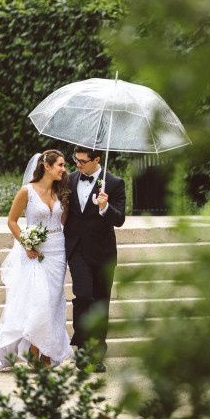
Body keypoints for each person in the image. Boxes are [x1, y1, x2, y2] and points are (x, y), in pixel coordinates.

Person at [0, 149, 73, 371]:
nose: (63, 169)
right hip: (35, 253)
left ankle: (45, 352)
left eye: (64, 165)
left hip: (58, 251)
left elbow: (63, 221)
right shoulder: (26, 191)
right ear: (46, 166)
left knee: (55, 302)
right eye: (60, 165)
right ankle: (38, 352)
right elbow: (11, 221)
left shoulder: (61, 192)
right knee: (40, 301)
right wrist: (26, 243)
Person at [65, 145, 126, 373]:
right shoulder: (69, 180)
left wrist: (105, 207)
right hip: (77, 250)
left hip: (103, 253)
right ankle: (81, 348)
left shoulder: (115, 183)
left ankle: (97, 353)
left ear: (97, 159)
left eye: (82, 161)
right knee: (83, 296)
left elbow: (119, 219)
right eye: (76, 160)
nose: (78, 165)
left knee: (100, 303)